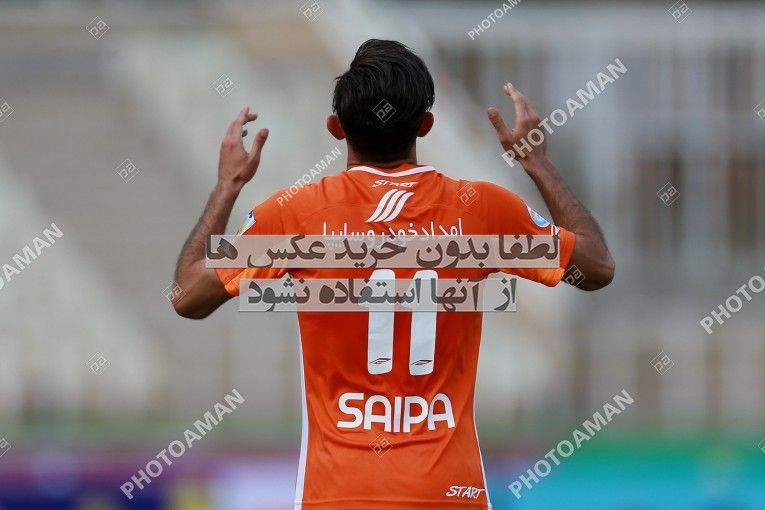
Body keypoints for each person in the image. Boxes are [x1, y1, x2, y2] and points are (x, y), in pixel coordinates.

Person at [172, 39, 614, 510]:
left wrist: (228, 186)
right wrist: (536, 162)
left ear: (336, 128)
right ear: (425, 125)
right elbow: (595, 267)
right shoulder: (482, 209)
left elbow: (188, 294)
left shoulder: (294, 215)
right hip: (450, 494)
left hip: (338, 494)